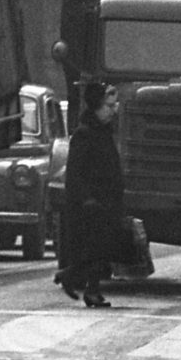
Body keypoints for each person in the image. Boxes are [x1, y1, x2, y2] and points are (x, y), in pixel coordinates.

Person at [54, 81, 123, 309]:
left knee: (102, 249)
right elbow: (75, 172)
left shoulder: (103, 131)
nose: (113, 111)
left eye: (114, 106)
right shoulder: (85, 134)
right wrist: (87, 199)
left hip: (105, 199)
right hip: (90, 203)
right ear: (96, 106)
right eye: (109, 106)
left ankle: (81, 283)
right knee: (96, 248)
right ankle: (80, 283)